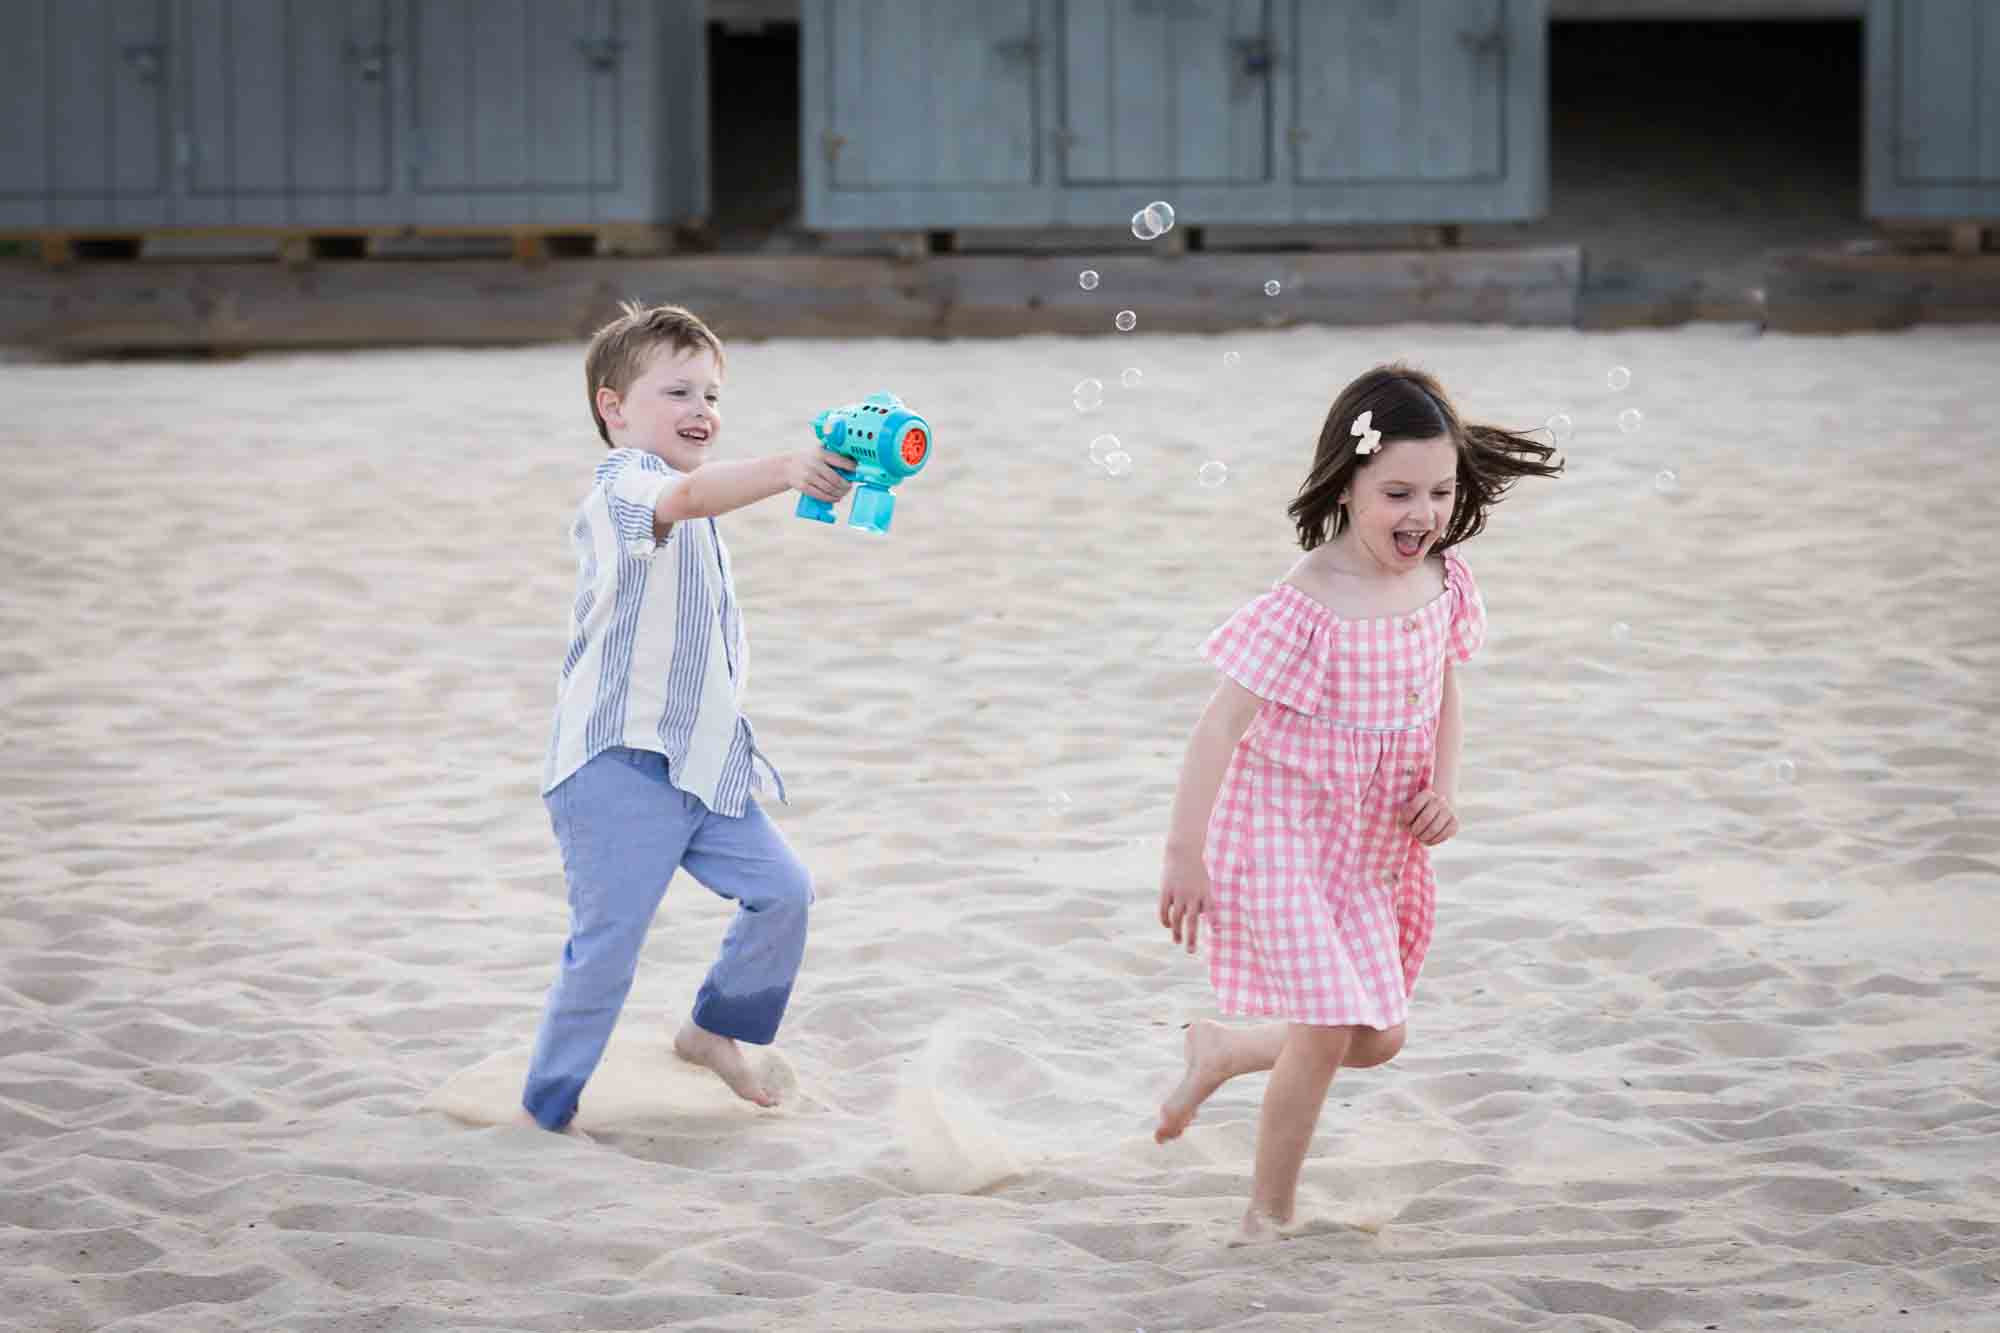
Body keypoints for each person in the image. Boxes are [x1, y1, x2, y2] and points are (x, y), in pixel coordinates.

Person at [1152, 363, 1562, 1242]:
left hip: (1370, 844)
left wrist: (1443, 787)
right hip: (1281, 835)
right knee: (1333, 1023)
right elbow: (1218, 727)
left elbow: (1446, 686)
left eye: (1441, 491)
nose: (1422, 513)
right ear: (1348, 484)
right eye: (1398, 492)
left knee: (1377, 1038)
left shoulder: (1443, 581)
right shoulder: (1305, 602)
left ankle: (1225, 1048)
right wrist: (1184, 852)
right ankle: (1269, 1215)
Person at [519, 301, 855, 1133]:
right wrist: (786, 467)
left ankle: (712, 1030)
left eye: (711, 394)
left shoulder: (690, 498)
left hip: (701, 764)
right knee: (608, 949)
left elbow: (706, 501)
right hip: (615, 766)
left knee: (783, 893)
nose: (701, 411)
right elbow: (695, 495)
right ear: (614, 407)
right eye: (677, 392)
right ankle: (546, 1106)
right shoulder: (623, 490)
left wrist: (821, 472)